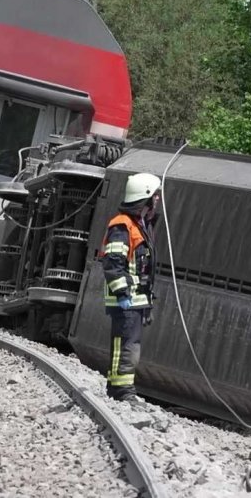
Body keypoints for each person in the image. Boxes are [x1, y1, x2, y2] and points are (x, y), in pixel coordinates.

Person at [101, 172, 161, 402]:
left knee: (129, 343)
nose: (157, 199)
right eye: (154, 195)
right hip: (126, 298)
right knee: (124, 344)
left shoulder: (140, 225)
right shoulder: (122, 226)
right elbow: (113, 262)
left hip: (136, 298)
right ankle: (121, 390)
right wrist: (122, 293)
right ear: (145, 197)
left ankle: (120, 387)